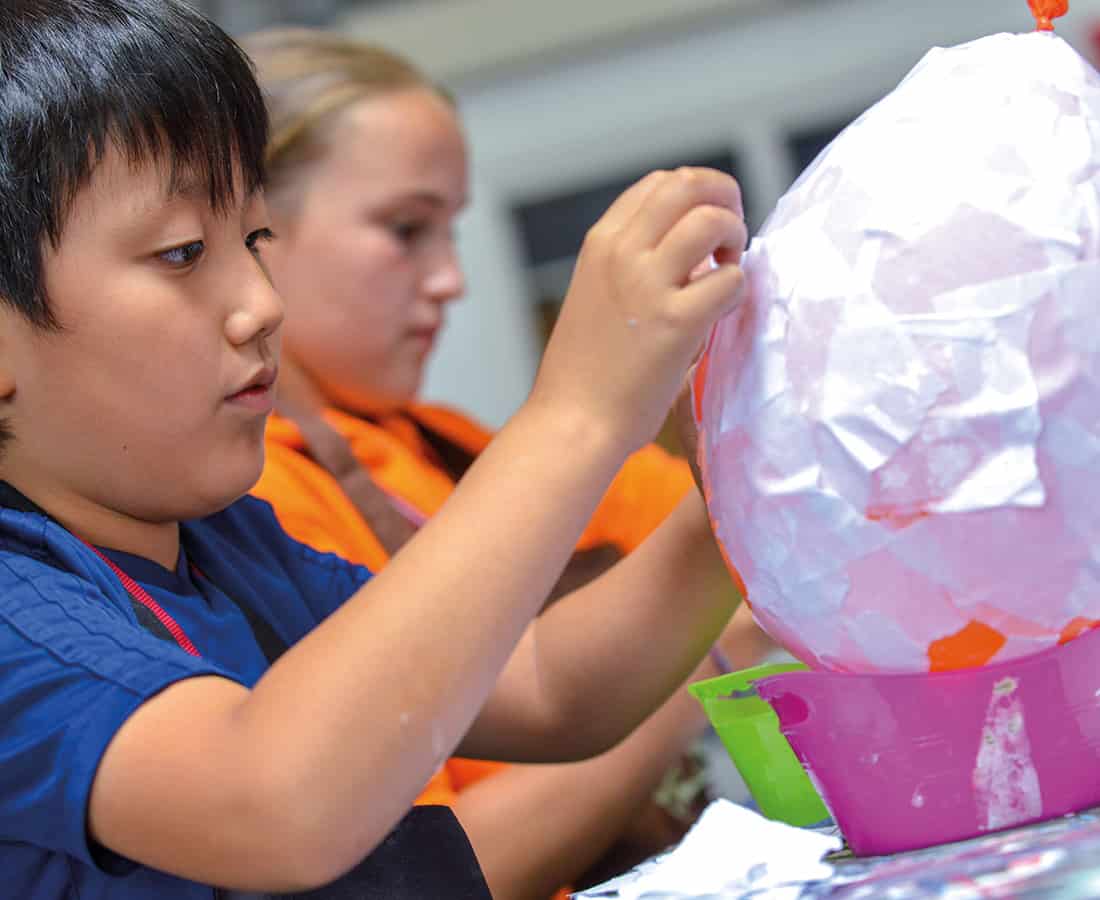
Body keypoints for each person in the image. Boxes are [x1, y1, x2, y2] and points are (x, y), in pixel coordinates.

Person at [0, 2, 749, 898]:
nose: (263, 303)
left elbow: (547, 687)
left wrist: (737, 498)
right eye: (182, 251)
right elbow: (275, 805)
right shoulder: (20, 611)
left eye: (255, 239)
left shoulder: (235, 549)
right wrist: (575, 415)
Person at [243, 29, 770, 899]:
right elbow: (442, 867)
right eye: (405, 228)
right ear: (252, 231)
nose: (450, 278)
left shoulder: (438, 442)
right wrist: (704, 659)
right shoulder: (257, 503)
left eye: (448, 231)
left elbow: (699, 539)